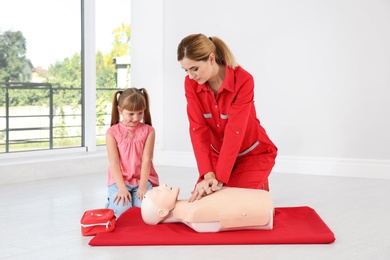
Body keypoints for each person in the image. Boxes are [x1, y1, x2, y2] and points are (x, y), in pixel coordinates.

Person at [177, 33, 278, 202]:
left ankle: (257, 186)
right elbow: (198, 129)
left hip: (252, 154)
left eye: (194, 68)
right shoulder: (191, 84)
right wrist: (208, 175)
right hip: (218, 156)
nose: (190, 75)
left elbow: (235, 131)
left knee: (227, 202)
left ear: (211, 58)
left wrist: (220, 179)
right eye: (186, 70)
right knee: (203, 203)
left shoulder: (243, 80)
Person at [105, 88, 159, 218]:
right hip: (120, 181)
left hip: (142, 179)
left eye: (140, 113)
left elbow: (147, 160)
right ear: (120, 110)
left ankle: (136, 199)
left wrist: (142, 187)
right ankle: (111, 203)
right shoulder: (112, 132)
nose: (136, 118)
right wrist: (122, 188)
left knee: (147, 212)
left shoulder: (149, 131)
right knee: (122, 211)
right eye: (131, 114)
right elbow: (114, 163)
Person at [141, 184, 274, 233]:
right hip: (264, 208)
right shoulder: (194, 215)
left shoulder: (192, 207)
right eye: (158, 192)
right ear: (162, 212)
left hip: (262, 200)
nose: (162, 185)